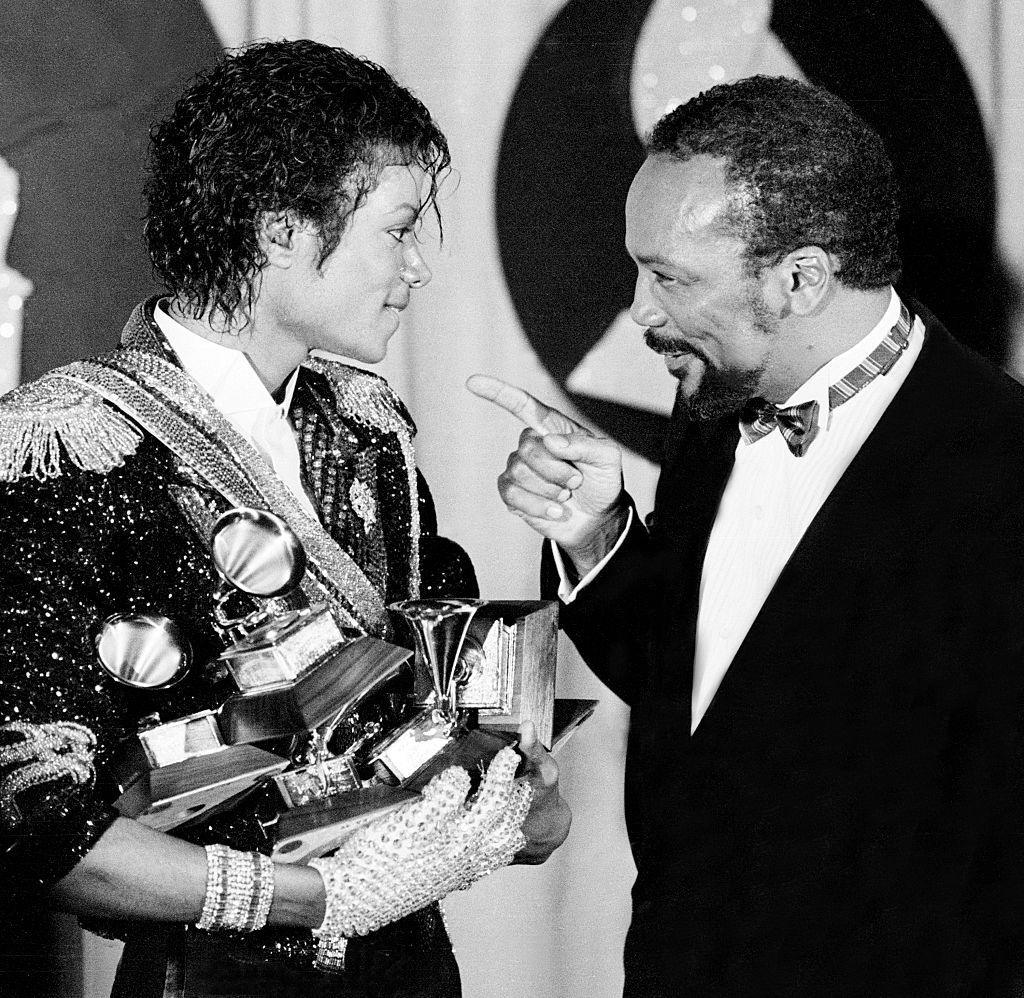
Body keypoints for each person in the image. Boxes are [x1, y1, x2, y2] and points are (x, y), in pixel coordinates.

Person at [0, 39, 570, 998]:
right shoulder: (67, 445)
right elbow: (37, 825)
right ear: (278, 233)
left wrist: (511, 801)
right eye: (397, 230)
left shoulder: (365, 423)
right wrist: (313, 896)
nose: (418, 268)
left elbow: (434, 724)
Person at [470, 75, 1024, 996]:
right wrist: (598, 532)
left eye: (671, 278)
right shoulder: (722, 404)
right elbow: (700, 692)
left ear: (801, 278)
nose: (640, 310)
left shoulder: (999, 473)